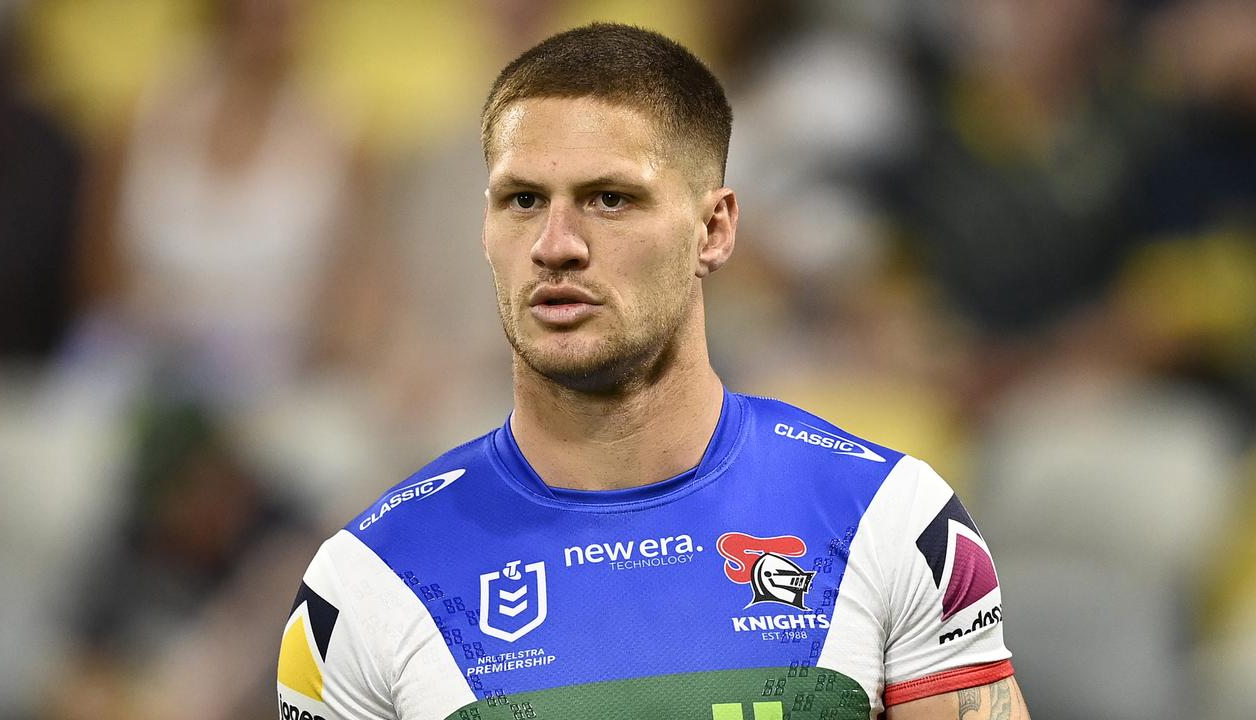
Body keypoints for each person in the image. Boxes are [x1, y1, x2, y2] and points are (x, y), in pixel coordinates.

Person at [277, 23, 1029, 720]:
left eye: (610, 199)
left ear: (715, 228)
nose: (556, 244)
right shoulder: (366, 587)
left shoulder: (892, 522)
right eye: (523, 200)